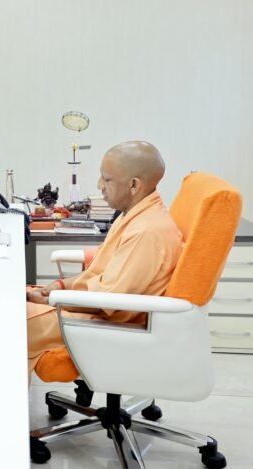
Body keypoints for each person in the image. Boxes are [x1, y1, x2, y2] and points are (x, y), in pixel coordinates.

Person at [26, 141, 183, 375]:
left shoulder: (146, 231)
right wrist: (59, 287)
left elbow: (107, 302)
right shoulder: (132, 215)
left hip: (110, 326)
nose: (99, 185)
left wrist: (51, 300)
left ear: (134, 185)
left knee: (4, 319)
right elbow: (99, 272)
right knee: (12, 299)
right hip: (91, 308)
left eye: (107, 179)